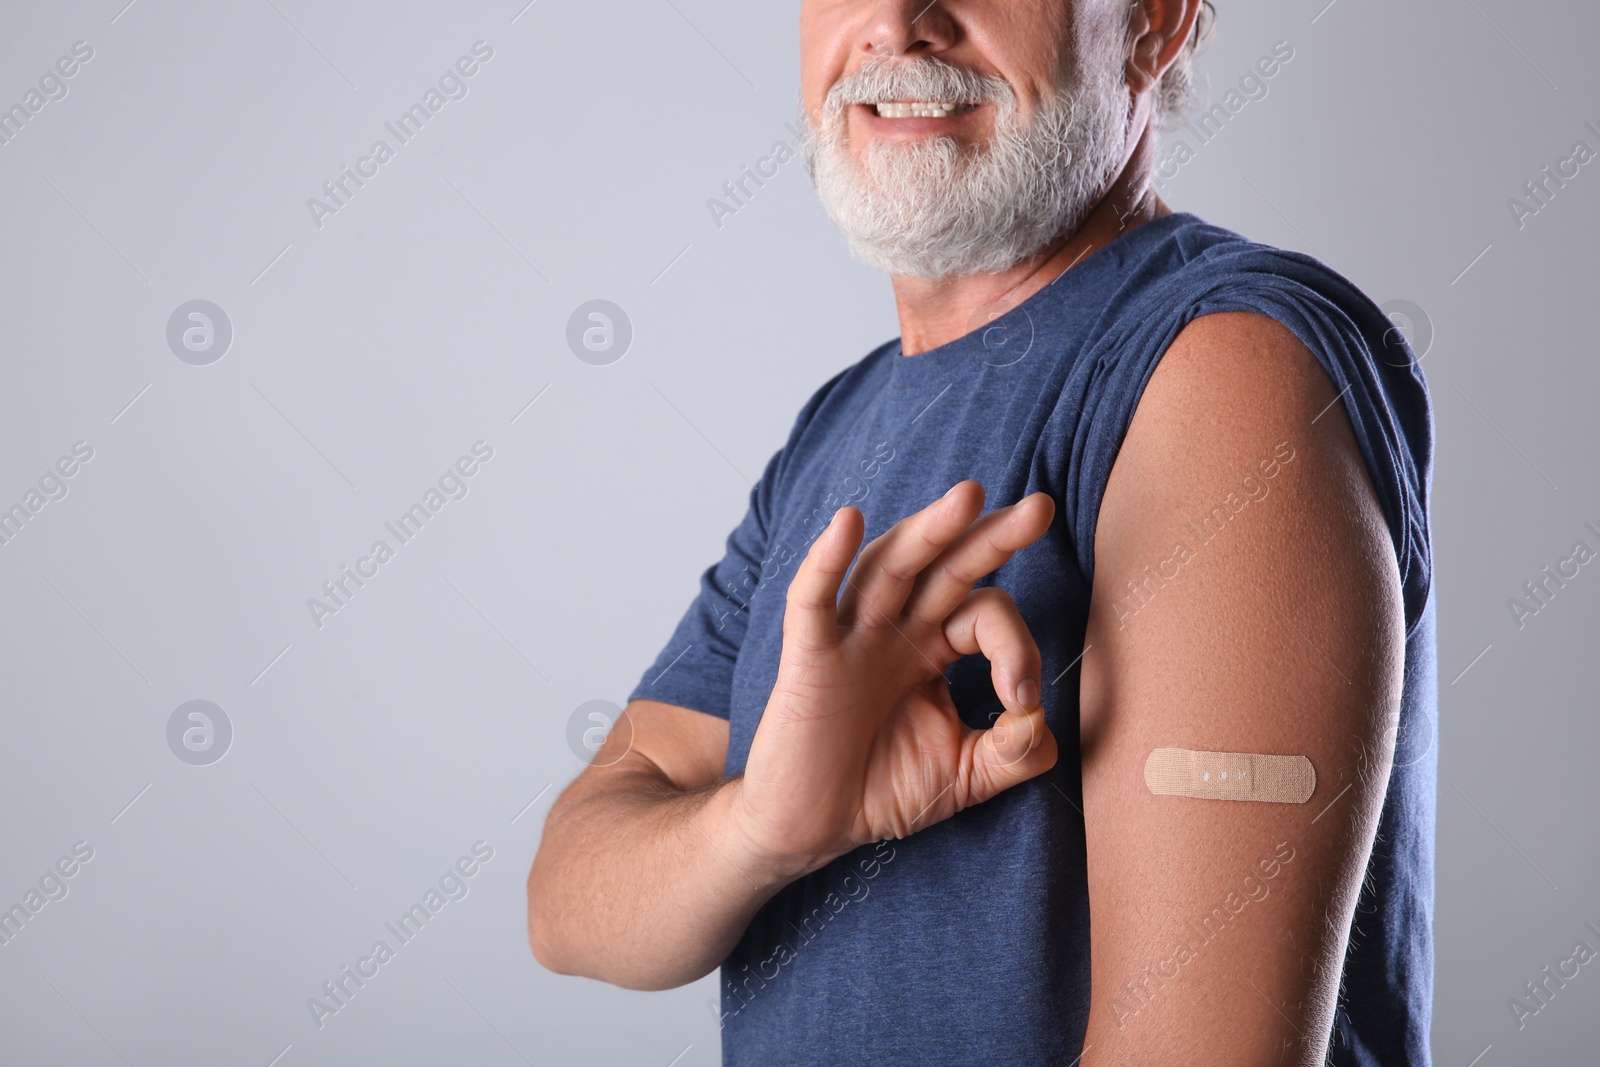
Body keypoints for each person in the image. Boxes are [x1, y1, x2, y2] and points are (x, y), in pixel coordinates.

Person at [527, 1, 1436, 1063]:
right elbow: (567, 900)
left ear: (1153, 24)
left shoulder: (1220, 368)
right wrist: (762, 826)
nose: (899, 25)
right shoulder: (840, 427)